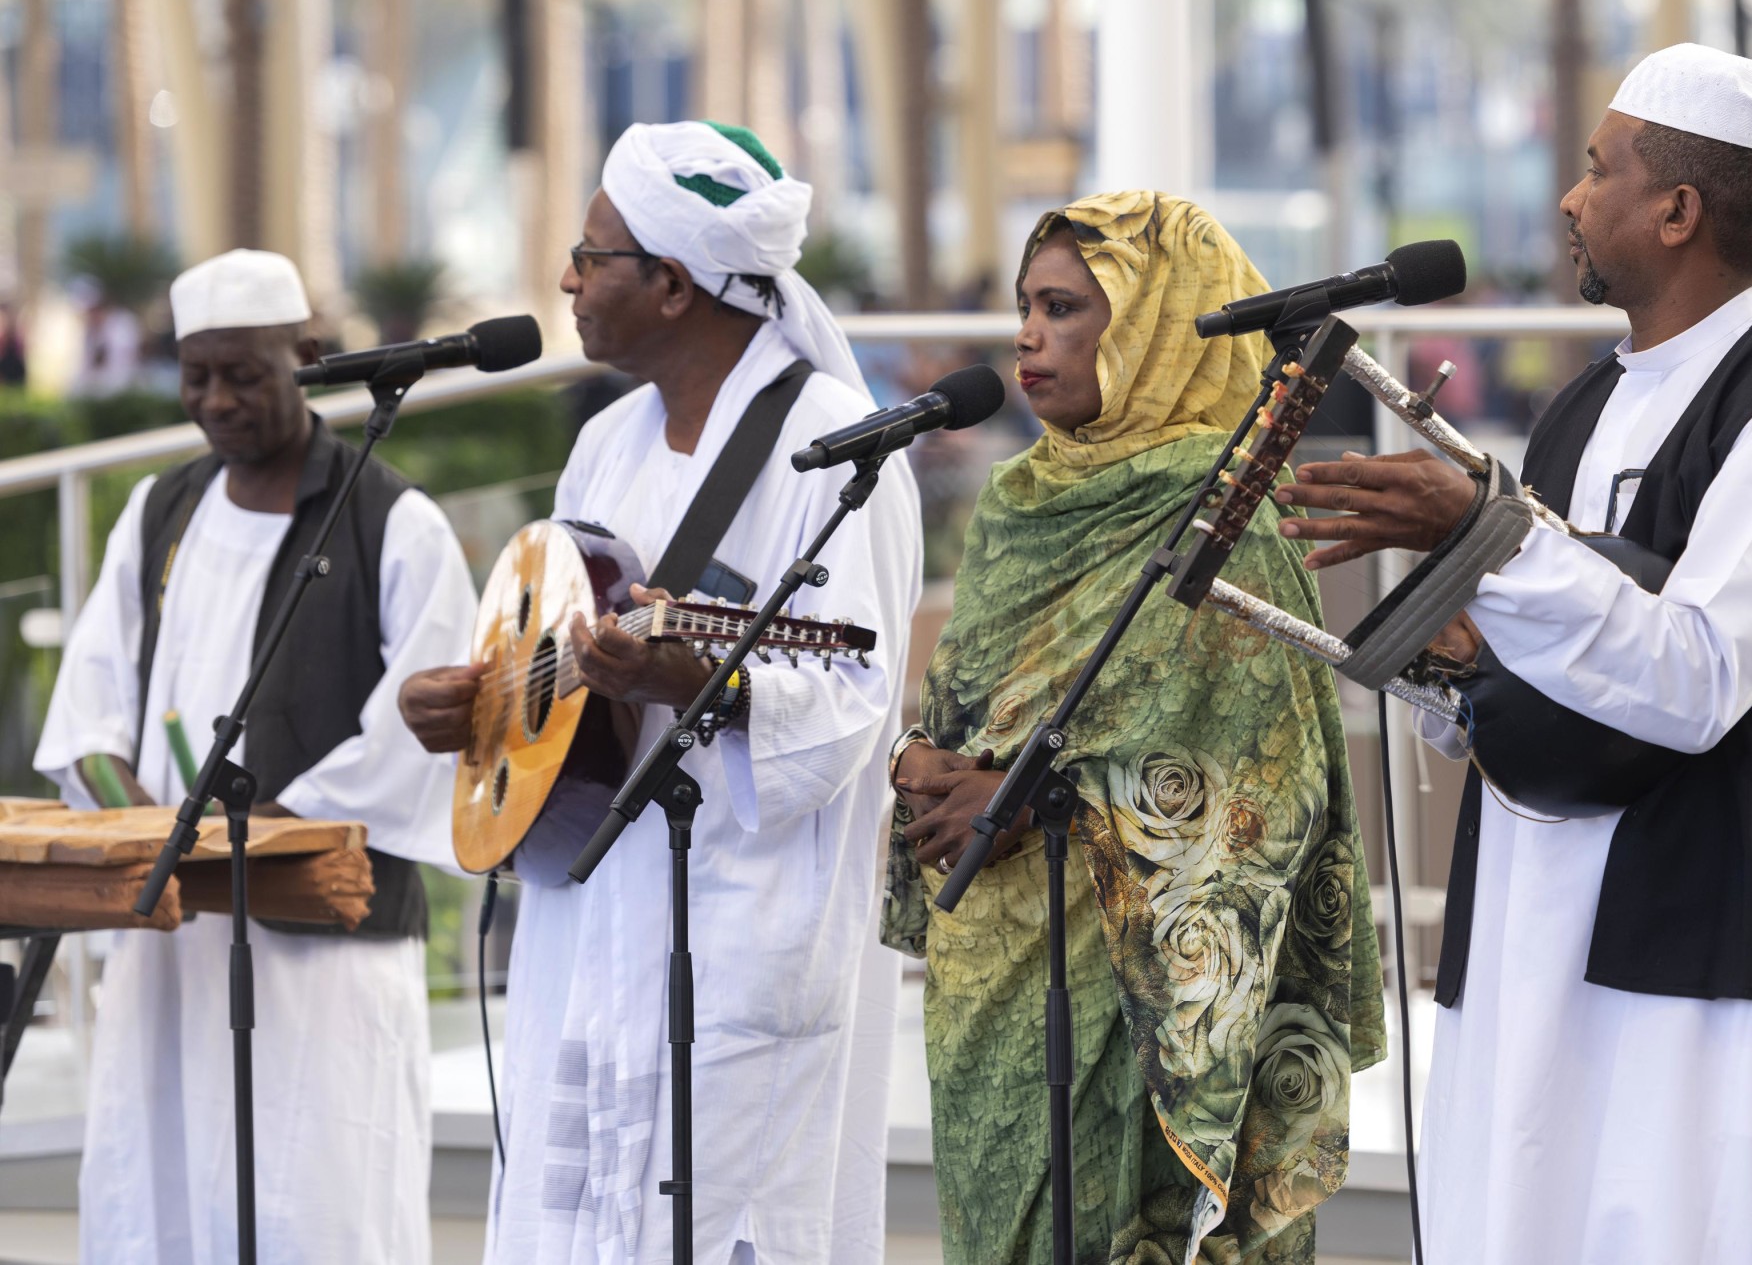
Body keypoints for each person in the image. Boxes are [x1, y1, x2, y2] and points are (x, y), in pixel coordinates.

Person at [1277, 44, 1752, 1264]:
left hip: (1705, 973)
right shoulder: (1578, 408)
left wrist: (1486, 540)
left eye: (1596, 168)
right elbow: (1547, 678)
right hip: (1527, 949)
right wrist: (1448, 663)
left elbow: (1696, 678)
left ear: (1675, 211)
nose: (1569, 197)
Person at [398, 121, 922, 1264]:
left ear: (673, 286)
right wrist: (478, 702)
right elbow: (561, 647)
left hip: (737, 916)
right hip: (590, 910)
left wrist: (707, 686)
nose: (566, 281)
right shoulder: (606, 443)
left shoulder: (835, 445)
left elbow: (851, 696)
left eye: (590, 258)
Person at [883, 190, 1385, 1263]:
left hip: (1129, 1009)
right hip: (994, 991)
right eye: (1024, 303)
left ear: (1159, 325)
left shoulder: (1227, 530)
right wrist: (922, 764)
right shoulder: (1018, 505)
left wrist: (1038, 800)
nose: (1025, 334)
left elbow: (1266, 803)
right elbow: (972, 709)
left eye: (1064, 306)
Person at [34, 247, 478, 1263]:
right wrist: (156, 834)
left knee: (314, 1197)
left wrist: (256, 842)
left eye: (245, 373)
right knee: (162, 1194)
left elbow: (427, 733)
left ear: (309, 357)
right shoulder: (161, 511)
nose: (217, 399)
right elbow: (92, 713)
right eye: (197, 375)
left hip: (321, 945)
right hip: (170, 936)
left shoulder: (392, 521)